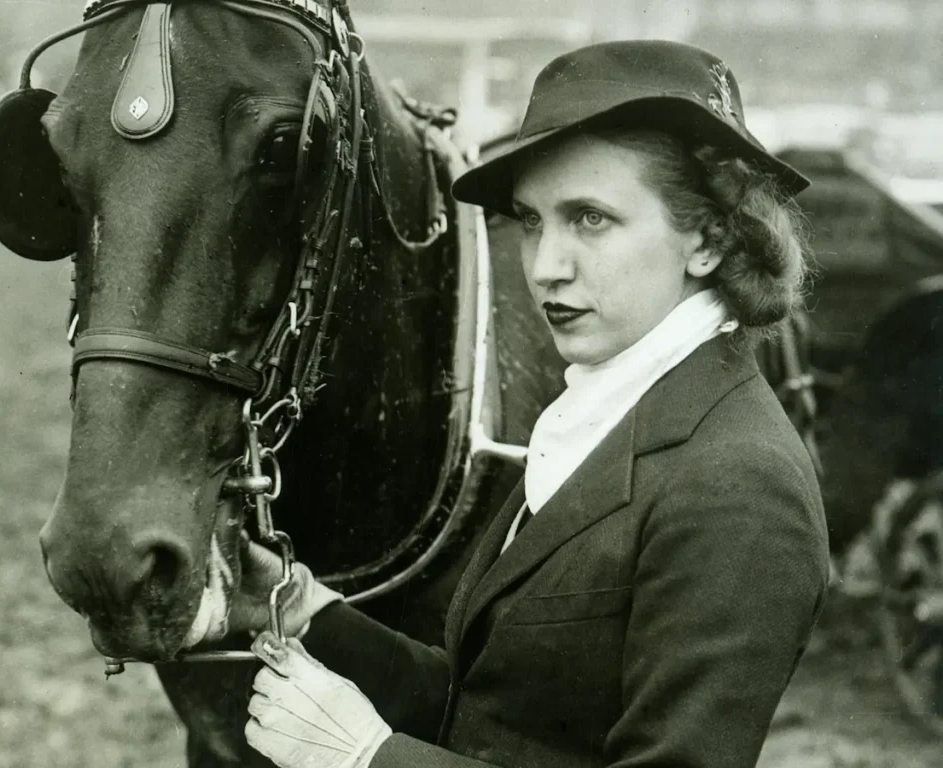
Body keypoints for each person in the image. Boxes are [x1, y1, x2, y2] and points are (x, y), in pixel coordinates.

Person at [231, 40, 831, 768]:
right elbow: (497, 707)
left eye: (591, 219)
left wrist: (369, 758)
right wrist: (310, 612)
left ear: (706, 239)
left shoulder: (739, 482)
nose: (546, 267)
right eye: (532, 220)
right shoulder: (605, 413)